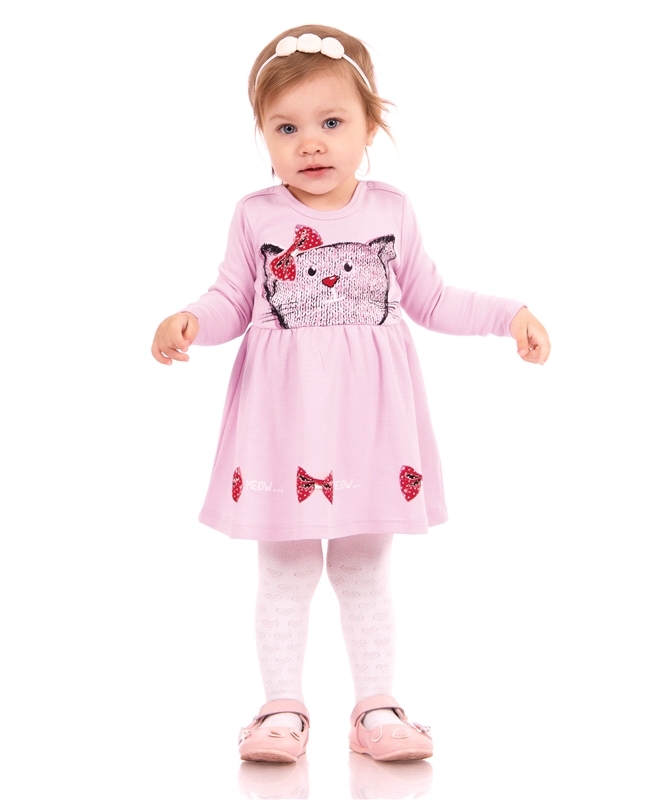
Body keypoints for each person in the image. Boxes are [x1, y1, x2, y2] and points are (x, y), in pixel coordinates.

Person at [151, 24, 550, 764]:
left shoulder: (390, 209)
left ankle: (377, 707)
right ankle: (280, 709)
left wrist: (508, 315)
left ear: (371, 125)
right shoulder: (256, 215)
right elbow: (232, 300)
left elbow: (432, 299)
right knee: (285, 568)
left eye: (332, 122)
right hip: (283, 427)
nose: (311, 143)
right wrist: (191, 322)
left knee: (365, 566)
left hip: (370, 427)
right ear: (263, 137)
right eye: (287, 128)